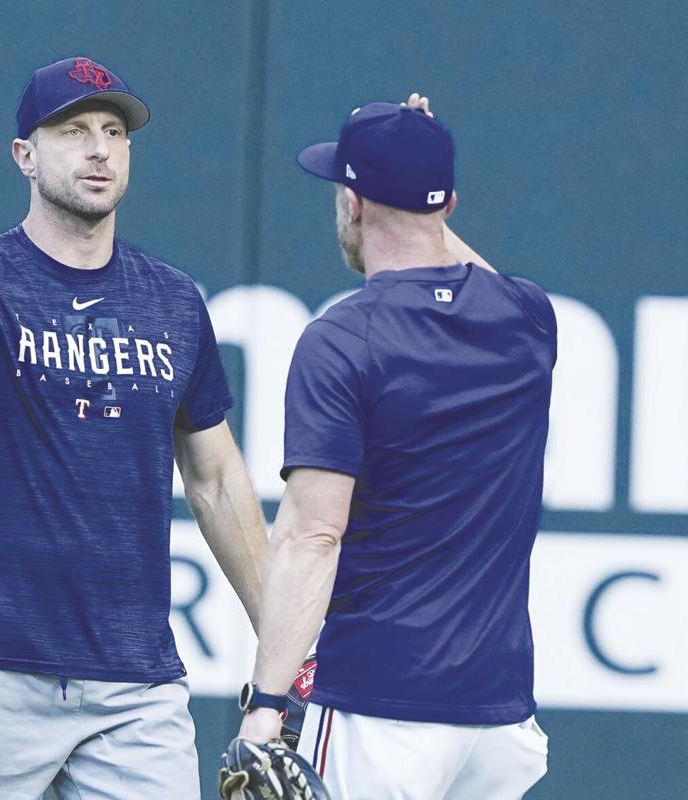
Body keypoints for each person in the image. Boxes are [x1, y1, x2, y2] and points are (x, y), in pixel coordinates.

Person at [0, 57, 267, 800]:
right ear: (23, 156)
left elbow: (216, 481)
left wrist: (287, 651)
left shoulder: (173, 302)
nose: (99, 149)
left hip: (133, 683)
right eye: (74, 130)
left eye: (115, 132)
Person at [234, 93, 555, 799]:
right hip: (498, 722)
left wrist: (265, 704)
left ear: (351, 202)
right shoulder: (527, 319)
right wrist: (417, 177)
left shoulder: (343, 339)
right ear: (450, 205)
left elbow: (313, 535)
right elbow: (457, 263)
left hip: (380, 708)